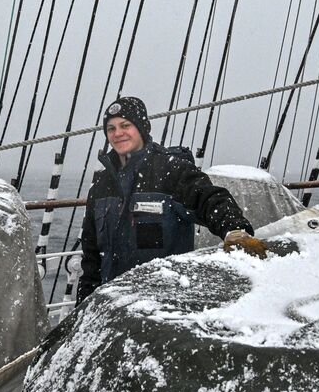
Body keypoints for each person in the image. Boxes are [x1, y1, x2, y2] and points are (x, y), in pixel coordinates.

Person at [76, 96, 261, 304]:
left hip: (163, 305)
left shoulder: (173, 171)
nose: (118, 133)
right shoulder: (101, 186)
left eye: (125, 125)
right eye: (111, 128)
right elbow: (91, 257)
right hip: (112, 304)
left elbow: (211, 200)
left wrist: (234, 229)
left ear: (142, 128)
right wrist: (84, 303)